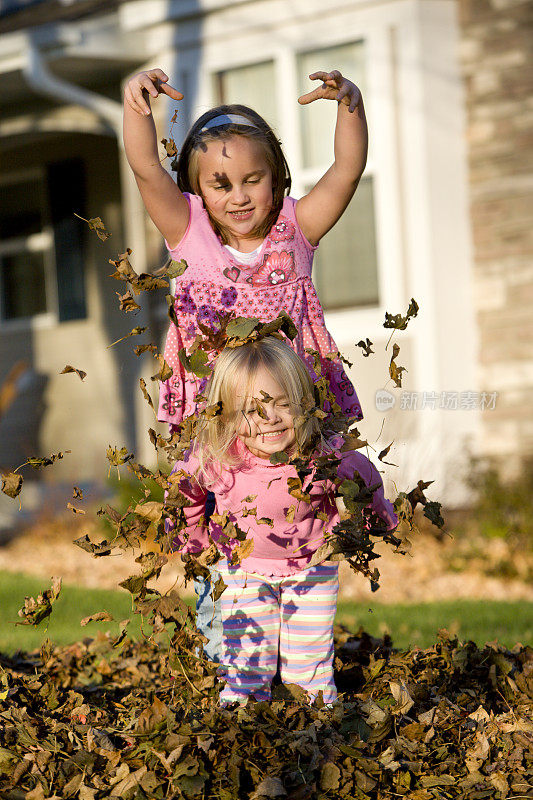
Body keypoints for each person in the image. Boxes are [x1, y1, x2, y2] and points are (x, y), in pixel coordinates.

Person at [123, 66, 368, 661]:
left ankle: (300, 629)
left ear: (277, 178)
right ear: (196, 189)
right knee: (209, 510)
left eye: (252, 180)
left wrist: (351, 107)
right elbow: (145, 167)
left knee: (297, 503)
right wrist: (136, 108)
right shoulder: (186, 232)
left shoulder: (296, 229)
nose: (237, 196)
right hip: (218, 413)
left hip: (288, 411)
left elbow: (346, 172)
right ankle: (227, 641)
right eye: (220, 184)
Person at [168, 337, 397, 705]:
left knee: (309, 663)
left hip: (311, 567)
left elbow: (364, 476)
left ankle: (316, 722)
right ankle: (243, 722)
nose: (269, 419)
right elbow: (182, 487)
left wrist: (376, 517)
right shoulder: (220, 458)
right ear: (225, 415)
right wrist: (193, 536)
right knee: (247, 662)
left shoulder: (322, 455)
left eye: (282, 404)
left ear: (304, 403)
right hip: (243, 568)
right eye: (251, 410)